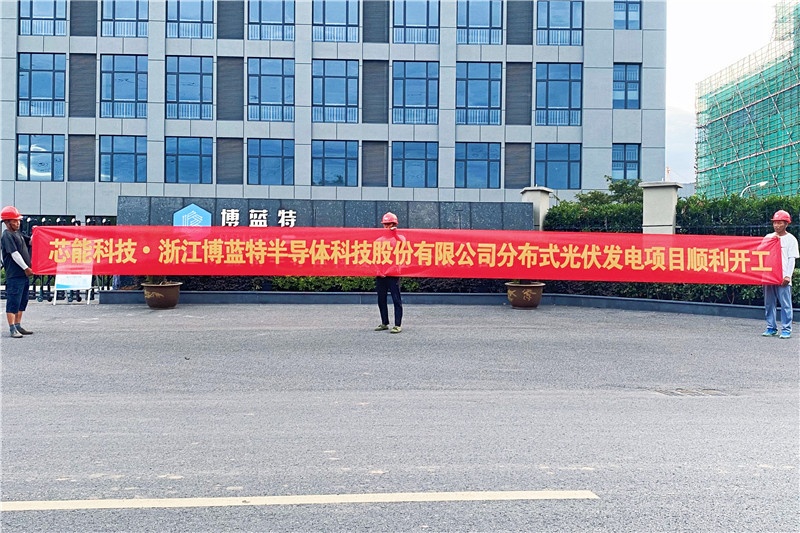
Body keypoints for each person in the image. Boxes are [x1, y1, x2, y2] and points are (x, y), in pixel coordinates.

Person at [762, 210, 798, 340]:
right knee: (769, 303)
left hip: (783, 277)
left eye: (780, 223)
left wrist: (788, 276)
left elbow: (791, 259)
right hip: (769, 275)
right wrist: (771, 241)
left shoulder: (791, 239)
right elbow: (759, 252)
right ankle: (771, 327)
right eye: (775, 223)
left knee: (785, 304)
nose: (777, 225)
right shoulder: (768, 237)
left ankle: (786, 329)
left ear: (786, 224)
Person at [1, 206, 34, 338]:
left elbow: (30, 242)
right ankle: (12, 328)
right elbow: (14, 254)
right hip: (15, 275)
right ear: (7, 222)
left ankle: (18, 324)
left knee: (22, 300)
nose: (18, 223)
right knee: (13, 301)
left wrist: (38, 232)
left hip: (23, 275)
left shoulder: (18, 234)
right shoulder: (7, 235)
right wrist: (26, 268)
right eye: (15, 221)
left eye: (18, 220)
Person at [374, 212, 404, 334]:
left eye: (390, 224)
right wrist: (378, 271)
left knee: (396, 299)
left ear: (395, 224)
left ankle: (397, 325)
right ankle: (384, 322)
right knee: (381, 299)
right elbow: (375, 258)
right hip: (381, 274)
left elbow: (403, 246)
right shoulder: (378, 240)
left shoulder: (399, 238)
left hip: (393, 274)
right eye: (385, 224)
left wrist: (394, 234)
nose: (387, 226)